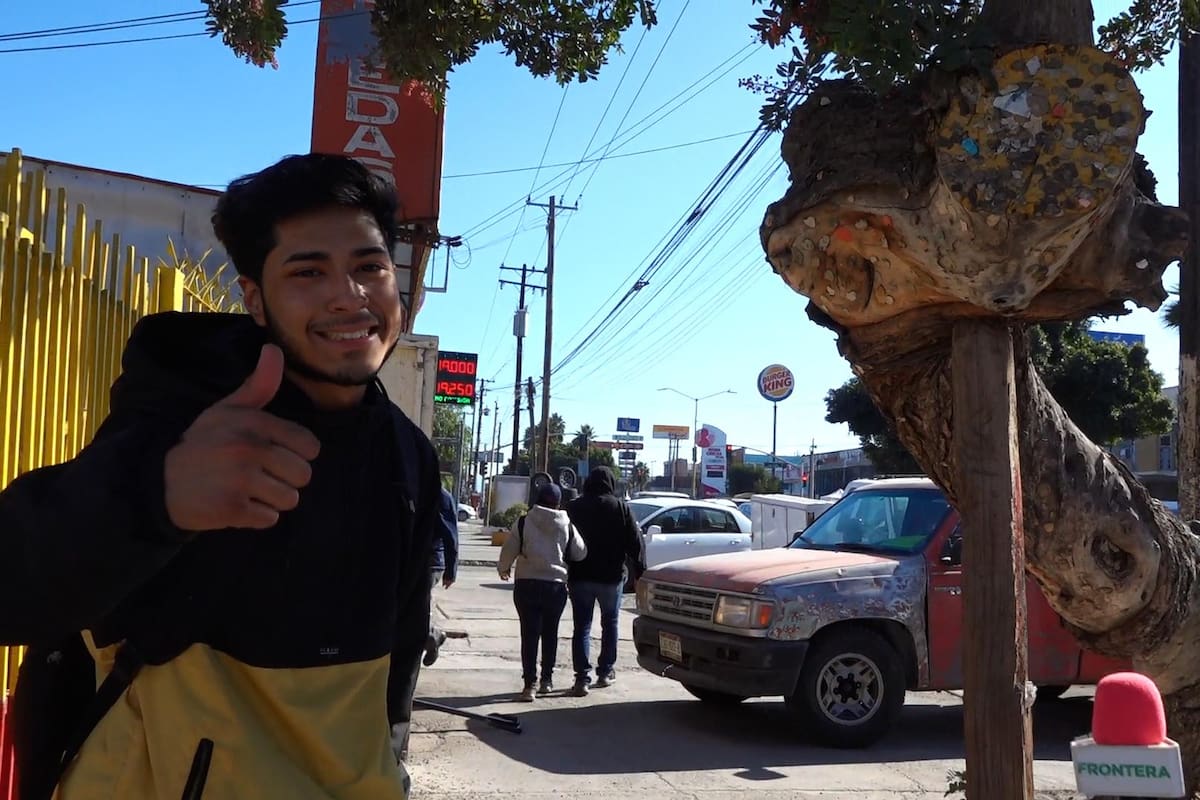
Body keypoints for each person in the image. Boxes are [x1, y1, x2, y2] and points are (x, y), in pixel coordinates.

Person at [1, 153, 440, 800]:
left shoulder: (409, 455)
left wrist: (391, 773)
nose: (348, 295)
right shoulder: (185, 411)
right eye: (308, 271)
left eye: (368, 267)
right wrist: (156, 495)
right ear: (254, 300)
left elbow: (393, 676)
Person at [497, 483, 586, 702]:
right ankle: (547, 680)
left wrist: (504, 568)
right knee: (550, 633)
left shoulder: (524, 521)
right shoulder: (566, 524)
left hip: (526, 584)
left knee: (529, 635)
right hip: (555, 586)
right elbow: (580, 552)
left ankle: (530, 685)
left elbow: (509, 549)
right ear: (558, 502)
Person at [565, 467, 643, 697]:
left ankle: (581, 678)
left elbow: (564, 540)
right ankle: (605, 671)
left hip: (580, 576)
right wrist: (640, 572)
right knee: (610, 623)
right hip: (611, 578)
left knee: (582, 627)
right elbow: (635, 544)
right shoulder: (621, 508)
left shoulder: (574, 507)